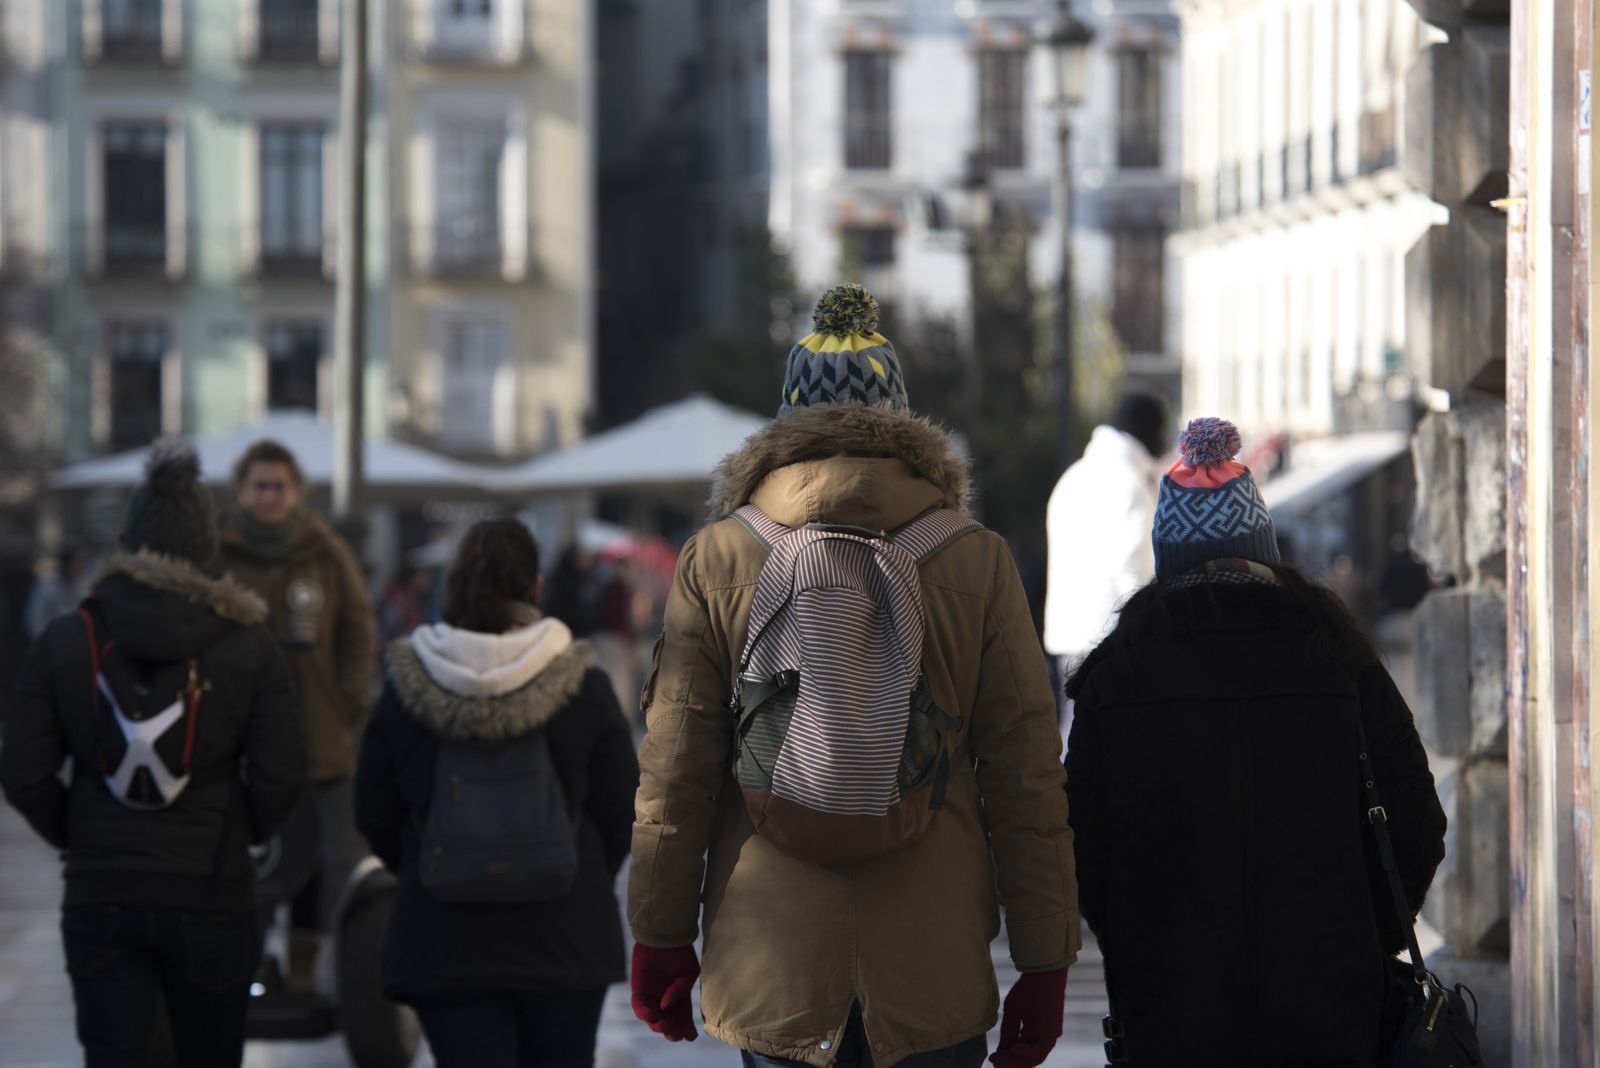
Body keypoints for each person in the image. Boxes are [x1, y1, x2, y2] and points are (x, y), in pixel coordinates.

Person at [628, 284, 1079, 1068]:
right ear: (902, 423)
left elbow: (677, 772)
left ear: (787, 422)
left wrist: (659, 934)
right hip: (931, 965)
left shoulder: (719, 556)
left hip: (774, 961)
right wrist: (1045, 957)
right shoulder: (975, 558)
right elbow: (1025, 775)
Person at [1064, 417, 1448, 1067]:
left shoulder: (1117, 677)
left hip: (1173, 1007)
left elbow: (1080, 843)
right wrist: (1366, 931)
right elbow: (1416, 815)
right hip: (1333, 1003)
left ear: (1167, 553)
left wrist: (1136, 942)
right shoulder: (1339, 659)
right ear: (1261, 541)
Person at [1, 441, 305, 1068]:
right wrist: (238, 827)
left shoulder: (67, 639)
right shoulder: (246, 644)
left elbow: (22, 770)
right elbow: (283, 769)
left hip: (101, 889)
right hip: (213, 891)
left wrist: (77, 830)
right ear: (205, 545)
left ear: (129, 540)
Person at [354, 518, 639, 1068]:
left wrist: (424, 861)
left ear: (452, 586)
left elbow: (373, 808)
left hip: (444, 938)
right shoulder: (583, 683)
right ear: (535, 587)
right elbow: (620, 806)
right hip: (565, 934)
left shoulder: (408, 684)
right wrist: (580, 868)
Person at [218, 439, 376, 993]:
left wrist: (348, 696)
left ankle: (304, 965)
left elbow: (359, 629)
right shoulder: (217, 553)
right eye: (258, 485)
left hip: (318, 736)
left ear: (296, 492)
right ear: (240, 490)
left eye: (278, 486)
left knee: (312, 859)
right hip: (238, 740)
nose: (268, 496)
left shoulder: (325, 551)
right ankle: (254, 960)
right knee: (248, 856)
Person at [1042, 391, 1170, 701]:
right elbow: (1133, 568)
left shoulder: (1074, 475)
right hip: (1113, 637)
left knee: (1077, 734)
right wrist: (1147, 631)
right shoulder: (1128, 480)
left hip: (1071, 633)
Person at [24, 548, 89, 641]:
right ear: (66, 565)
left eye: (80, 565)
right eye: (76, 565)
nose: (79, 568)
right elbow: (35, 619)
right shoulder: (46, 587)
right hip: (49, 641)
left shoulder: (82, 588)